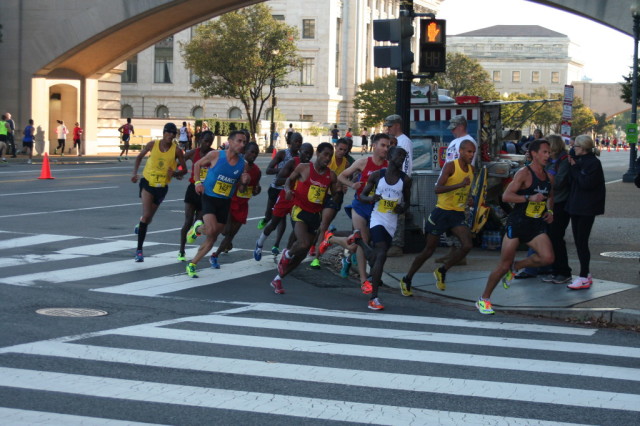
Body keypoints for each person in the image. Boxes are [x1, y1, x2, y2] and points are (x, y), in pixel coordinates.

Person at [476, 139, 555, 314]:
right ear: (534, 154)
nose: (548, 156)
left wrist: (550, 212)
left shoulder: (549, 176)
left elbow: (550, 196)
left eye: (549, 152)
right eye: (544, 152)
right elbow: (506, 196)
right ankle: (484, 299)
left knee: (548, 258)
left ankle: (516, 266)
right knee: (503, 265)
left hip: (535, 224)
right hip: (517, 224)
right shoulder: (524, 174)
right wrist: (529, 198)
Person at [400, 140, 476, 296]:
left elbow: (466, 191)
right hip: (441, 212)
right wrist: (459, 185)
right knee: (429, 250)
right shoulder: (450, 166)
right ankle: (407, 279)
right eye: (469, 151)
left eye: (473, 152)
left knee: (467, 245)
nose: (471, 155)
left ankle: (442, 270)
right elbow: (438, 189)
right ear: (461, 151)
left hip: (457, 213)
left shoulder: (472, 170)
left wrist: (469, 199)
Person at [270, 142, 339, 294]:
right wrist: (288, 190)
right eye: (325, 154)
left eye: (330, 156)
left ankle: (278, 279)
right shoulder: (304, 168)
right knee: (303, 242)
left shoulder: (331, 176)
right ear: (318, 153)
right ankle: (286, 254)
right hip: (299, 210)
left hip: (315, 215)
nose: (327, 158)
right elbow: (289, 180)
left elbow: (334, 194)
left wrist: (339, 191)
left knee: (302, 255)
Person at [185, 130, 249, 278]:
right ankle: (198, 228)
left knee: (213, 237)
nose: (242, 144)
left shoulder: (242, 164)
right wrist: (198, 182)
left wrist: (244, 183)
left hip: (225, 201)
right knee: (212, 229)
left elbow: (240, 187)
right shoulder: (216, 155)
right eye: (239, 141)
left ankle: (192, 263)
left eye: (244, 142)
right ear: (230, 141)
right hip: (209, 197)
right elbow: (197, 165)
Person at [358, 146, 412, 310]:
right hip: (377, 218)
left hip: (391, 222)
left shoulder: (406, 180)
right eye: (399, 156)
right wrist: (371, 198)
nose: (401, 159)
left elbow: (407, 203)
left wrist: (401, 208)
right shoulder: (377, 176)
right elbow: (362, 196)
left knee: (377, 257)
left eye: (404, 157)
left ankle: (359, 241)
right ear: (390, 156)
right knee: (381, 254)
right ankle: (374, 298)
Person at [337, 133, 389, 291]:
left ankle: (334, 243)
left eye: (388, 146)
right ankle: (363, 280)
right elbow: (341, 176)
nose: (386, 149)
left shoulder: (389, 166)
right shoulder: (362, 162)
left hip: (378, 209)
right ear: (374, 145)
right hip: (360, 205)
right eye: (383, 145)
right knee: (362, 240)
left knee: (356, 246)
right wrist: (353, 185)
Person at [131, 122, 187, 262]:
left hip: (162, 187)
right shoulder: (152, 144)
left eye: (173, 133)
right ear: (163, 133)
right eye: (168, 132)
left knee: (149, 219)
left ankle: (142, 225)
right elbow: (139, 157)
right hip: (148, 183)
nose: (170, 135)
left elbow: (184, 170)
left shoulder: (177, 150)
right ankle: (139, 251)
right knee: (146, 216)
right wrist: (134, 173)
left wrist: (174, 173)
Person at [254, 142, 315, 261]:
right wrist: (294, 177)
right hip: (285, 196)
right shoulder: (293, 162)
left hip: (298, 200)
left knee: (298, 227)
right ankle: (260, 243)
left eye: (310, 154)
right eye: (306, 152)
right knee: (274, 223)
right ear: (300, 152)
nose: (308, 156)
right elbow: (278, 181)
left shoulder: (311, 167)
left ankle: (287, 252)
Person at [211, 141, 262, 267]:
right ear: (245, 152)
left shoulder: (257, 171)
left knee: (231, 235)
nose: (254, 155)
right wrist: (240, 184)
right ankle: (202, 229)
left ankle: (215, 256)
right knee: (225, 231)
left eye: (256, 153)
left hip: (243, 205)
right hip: (230, 201)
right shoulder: (237, 165)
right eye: (251, 152)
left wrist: (257, 190)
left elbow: (255, 188)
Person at [566, 135, 606, 290]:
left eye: (576, 146)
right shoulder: (581, 161)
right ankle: (585, 274)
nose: (573, 148)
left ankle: (583, 276)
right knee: (579, 241)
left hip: (586, 207)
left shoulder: (592, 163)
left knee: (582, 241)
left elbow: (586, 183)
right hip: (578, 205)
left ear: (582, 148)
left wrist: (575, 168)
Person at [256, 132, 303, 254]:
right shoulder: (283, 154)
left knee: (282, 219)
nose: (298, 144)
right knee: (269, 216)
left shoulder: (300, 158)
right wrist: (283, 170)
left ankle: (276, 244)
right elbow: (269, 170)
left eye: (300, 141)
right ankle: (266, 219)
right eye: (296, 141)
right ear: (290, 142)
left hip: (289, 192)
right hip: (276, 188)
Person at [310, 138, 350, 268]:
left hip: (335, 197)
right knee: (317, 223)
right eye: (340, 149)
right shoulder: (328, 159)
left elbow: (347, 178)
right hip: (321, 194)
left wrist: (344, 186)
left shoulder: (346, 163)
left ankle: (316, 257)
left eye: (345, 150)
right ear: (336, 147)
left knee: (324, 224)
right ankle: (313, 244)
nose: (342, 152)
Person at [539, 134, 573, 284]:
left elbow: (559, 182)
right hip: (551, 202)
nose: (545, 152)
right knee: (550, 237)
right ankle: (554, 269)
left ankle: (564, 271)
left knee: (556, 237)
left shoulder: (563, 161)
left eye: (547, 148)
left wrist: (545, 178)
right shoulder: (552, 161)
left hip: (560, 203)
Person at [177, 130, 215, 261]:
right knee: (187, 221)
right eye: (206, 141)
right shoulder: (194, 153)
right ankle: (181, 250)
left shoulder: (214, 154)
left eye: (210, 141)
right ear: (200, 140)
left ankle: (194, 232)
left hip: (206, 192)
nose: (208, 143)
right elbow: (179, 163)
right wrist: (179, 172)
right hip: (193, 190)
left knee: (197, 222)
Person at [384, 114, 414, 257]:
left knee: (398, 212)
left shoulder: (404, 141)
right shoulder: (394, 141)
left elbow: (406, 163)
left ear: (397, 125)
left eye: (390, 126)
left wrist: (403, 181)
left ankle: (397, 245)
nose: (388, 129)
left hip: (399, 180)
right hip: (391, 179)